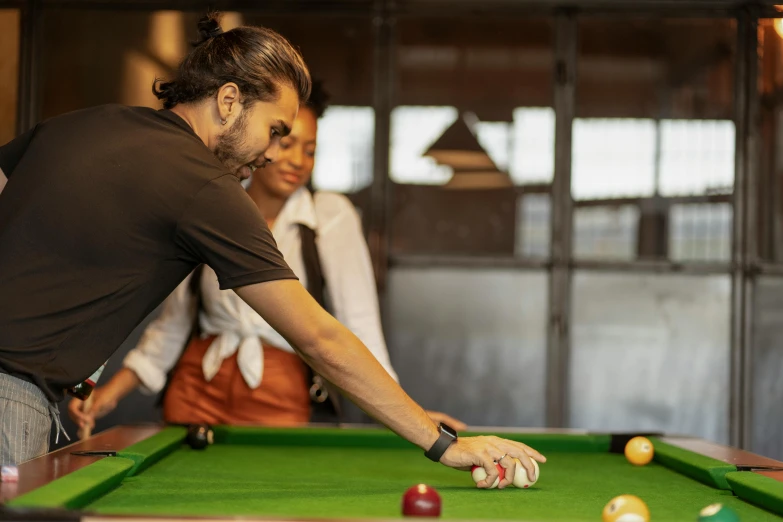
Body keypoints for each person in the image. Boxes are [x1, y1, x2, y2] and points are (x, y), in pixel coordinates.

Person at [0, 13, 544, 487]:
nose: (274, 151)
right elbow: (319, 337)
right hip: (10, 393)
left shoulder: (87, 122)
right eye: (275, 129)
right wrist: (443, 443)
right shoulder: (206, 187)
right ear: (229, 101)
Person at [68, 81, 465, 430]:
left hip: (281, 392)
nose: (296, 160)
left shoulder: (330, 217)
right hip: (196, 389)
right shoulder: (207, 206)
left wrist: (411, 417)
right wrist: (109, 394)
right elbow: (172, 326)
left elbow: (359, 327)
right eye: (286, 142)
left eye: (310, 150)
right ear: (265, 142)